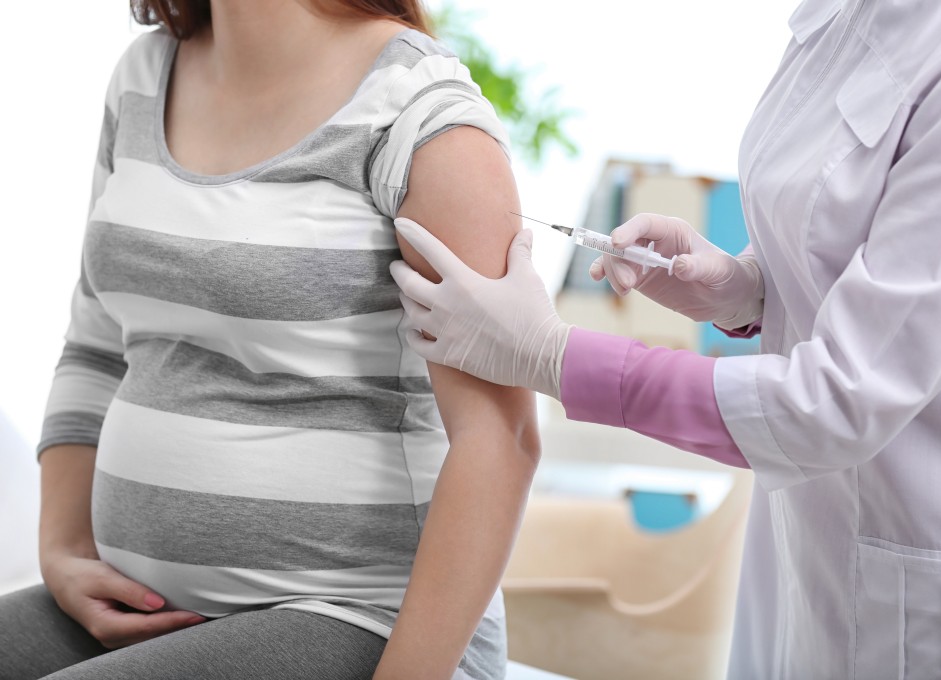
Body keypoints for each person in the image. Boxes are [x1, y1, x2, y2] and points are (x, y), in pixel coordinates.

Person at [389, 0, 941, 677]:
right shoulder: (839, 17)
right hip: (808, 547)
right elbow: (857, 233)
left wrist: (552, 354)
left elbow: (837, 400)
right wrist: (747, 285)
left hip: (933, 581)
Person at [0, 1, 538, 679]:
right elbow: (96, 343)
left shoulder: (419, 110)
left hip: (361, 615)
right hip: (148, 605)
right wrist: (64, 549)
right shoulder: (143, 74)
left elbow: (501, 438)